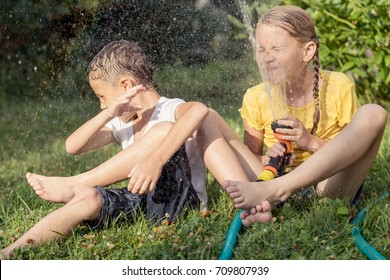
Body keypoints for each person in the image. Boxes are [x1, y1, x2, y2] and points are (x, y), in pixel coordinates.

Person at [1, 39, 270, 259]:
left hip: (178, 204)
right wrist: (108, 114)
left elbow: (199, 110)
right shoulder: (123, 122)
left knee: (163, 130)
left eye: (102, 97)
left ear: (126, 86)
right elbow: (73, 146)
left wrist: (156, 160)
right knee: (89, 199)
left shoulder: (170, 109)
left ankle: (75, 183)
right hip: (142, 203)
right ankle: (12, 251)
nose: (101, 104)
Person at [222, 5, 387, 226]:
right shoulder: (255, 97)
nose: (267, 58)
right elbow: (252, 156)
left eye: (276, 49)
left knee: (374, 113)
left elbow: (354, 152)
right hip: (272, 178)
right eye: (261, 49)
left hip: (327, 186)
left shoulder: (338, 86)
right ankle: (262, 205)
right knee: (209, 116)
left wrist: (310, 142)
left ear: (307, 51)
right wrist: (269, 159)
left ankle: (275, 194)